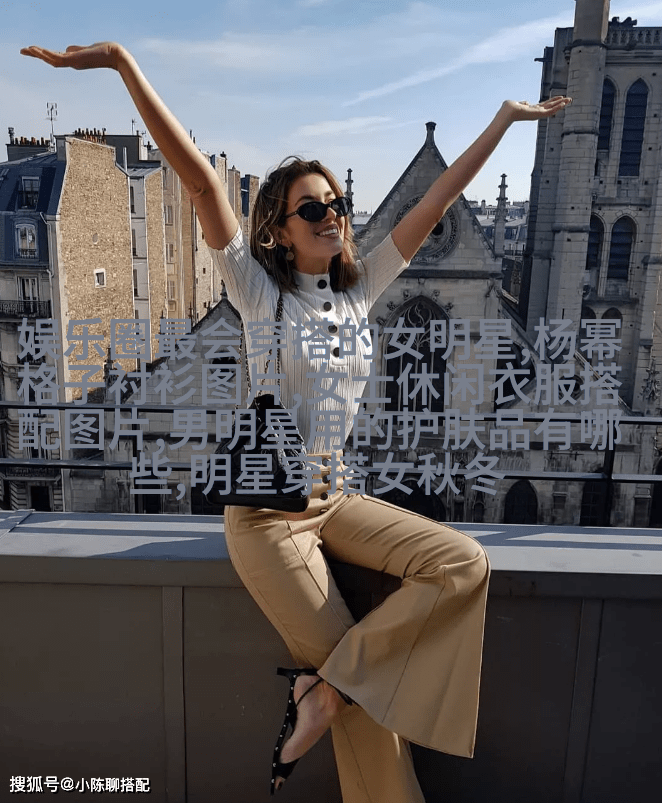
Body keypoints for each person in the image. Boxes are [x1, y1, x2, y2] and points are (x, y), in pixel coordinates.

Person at [21, 42, 571, 802]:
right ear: (278, 230)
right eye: (312, 208)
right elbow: (198, 179)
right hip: (269, 520)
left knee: (462, 565)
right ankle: (344, 698)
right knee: (372, 719)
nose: (332, 216)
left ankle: (327, 689)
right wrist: (121, 64)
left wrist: (505, 120)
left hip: (337, 498)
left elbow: (437, 201)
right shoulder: (259, 292)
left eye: (337, 204)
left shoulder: (361, 287)